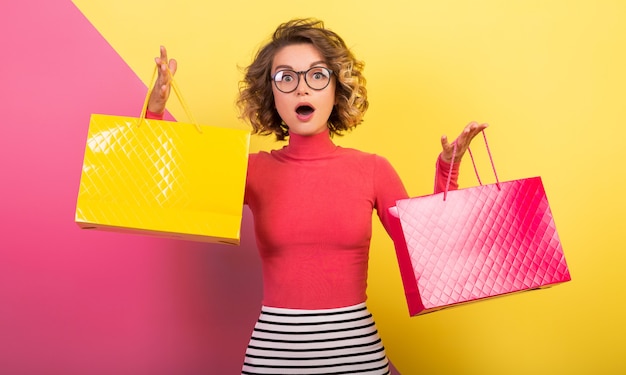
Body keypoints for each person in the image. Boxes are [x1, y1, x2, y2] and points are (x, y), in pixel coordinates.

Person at [146, 18, 487, 375]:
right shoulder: (253, 170)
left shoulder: (372, 170)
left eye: (317, 75)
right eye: (286, 77)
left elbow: (428, 250)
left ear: (337, 88)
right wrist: (156, 113)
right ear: (271, 92)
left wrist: (447, 169)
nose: (301, 89)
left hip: (357, 358)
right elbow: (179, 188)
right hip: (272, 359)